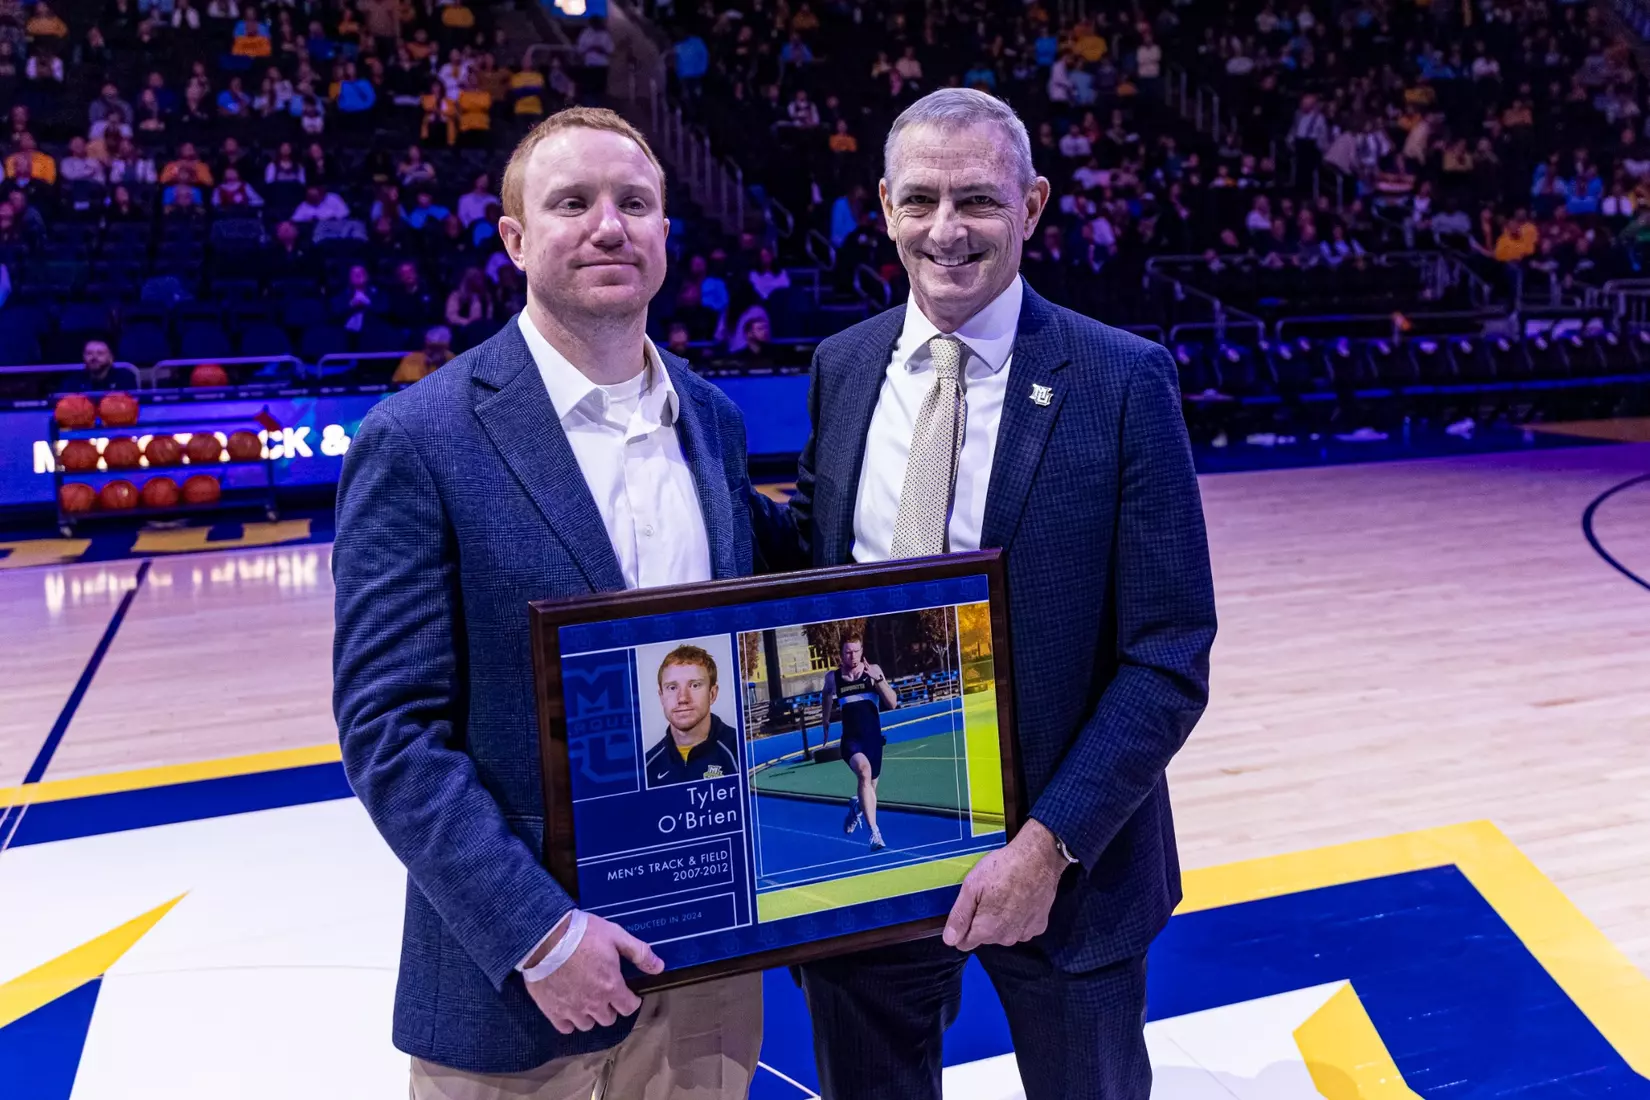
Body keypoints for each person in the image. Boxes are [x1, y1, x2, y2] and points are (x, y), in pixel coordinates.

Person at [749, 88, 1216, 1100]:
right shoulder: (844, 362)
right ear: (882, 205)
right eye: (920, 200)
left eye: (978, 200)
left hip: (1067, 861)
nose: (946, 230)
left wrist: (1048, 844)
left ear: (1034, 206)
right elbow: (812, 564)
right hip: (872, 848)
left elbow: (1169, 652)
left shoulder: (1121, 379)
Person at [333, 105, 764, 1100]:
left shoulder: (715, 420)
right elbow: (389, 731)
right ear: (516, 237)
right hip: (520, 985)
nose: (609, 225)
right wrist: (540, 932)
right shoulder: (419, 438)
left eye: (636, 203)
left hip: (706, 963)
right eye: (572, 202)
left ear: (666, 232)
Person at [819, 636, 897, 849]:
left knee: (870, 790)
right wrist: (825, 720)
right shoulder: (834, 678)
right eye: (847, 652)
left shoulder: (872, 671)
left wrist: (878, 680)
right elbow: (826, 695)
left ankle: (856, 808)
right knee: (864, 771)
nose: (852, 656)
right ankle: (875, 833)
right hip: (851, 742)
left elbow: (892, 703)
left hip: (873, 741)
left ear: (862, 651)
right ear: (840, 654)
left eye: (855, 651)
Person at [642, 646, 741, 787]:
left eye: (695, 685)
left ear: (712, 694)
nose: (682, 698)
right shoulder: (646, 767)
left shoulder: (740, 750)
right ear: (662, 697)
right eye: (672, 687)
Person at [72, 339, 140, 392]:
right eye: (89, 353)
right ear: (83, 357)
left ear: (110, 358)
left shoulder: (125, 379)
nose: (94, 357)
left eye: (100, 353)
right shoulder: (73, 382)